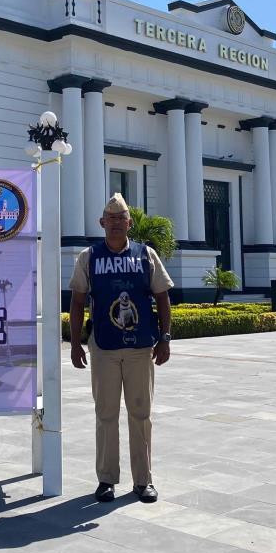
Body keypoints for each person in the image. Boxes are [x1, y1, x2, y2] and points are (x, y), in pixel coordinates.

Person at [68, 194, 173, 504]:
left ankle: (143, 481)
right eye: (110, 218)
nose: (115, 223)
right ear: (102, 223)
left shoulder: (146, 255)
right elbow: (76, 302)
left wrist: (165, 338)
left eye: (121, 218)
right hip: (103, 347)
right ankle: (106, 480)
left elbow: (163, 298)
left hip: (141, 347)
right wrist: (75, 344)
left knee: (141, 414)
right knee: (106, 415)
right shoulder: (89, 257)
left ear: (129, 223)